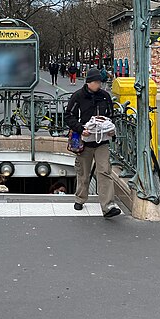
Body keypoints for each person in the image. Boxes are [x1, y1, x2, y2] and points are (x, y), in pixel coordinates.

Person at [65, 67, 121, 218]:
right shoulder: (78, 97)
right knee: (83, 172)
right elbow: (68, 116)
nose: (99, 85)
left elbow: (110, 115)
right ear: (89, 82)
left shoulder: (105, 96)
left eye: (100, 82)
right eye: (97, 82)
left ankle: (108, 206)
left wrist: (110, 129)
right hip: (84, 141)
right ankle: (80, 198)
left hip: (102, 141)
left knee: (104, 171)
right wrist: (80, 129)